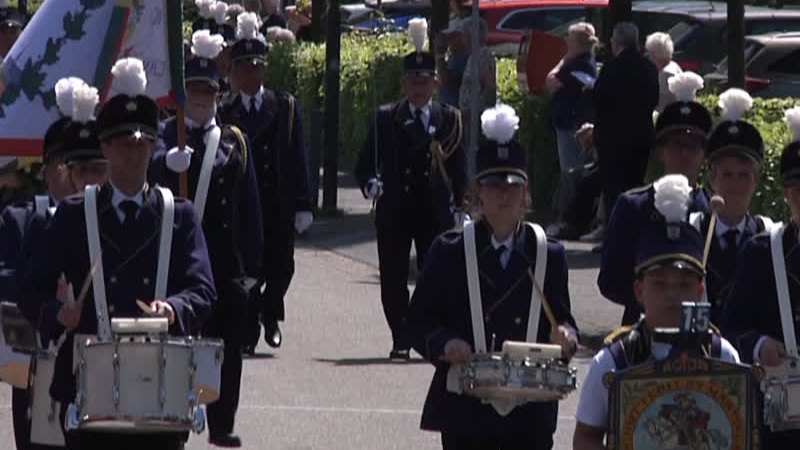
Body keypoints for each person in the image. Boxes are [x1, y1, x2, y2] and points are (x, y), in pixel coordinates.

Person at [18, 57, 216, 450]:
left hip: (159, 388)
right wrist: (56, 313)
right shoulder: (74, 215)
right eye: (125, 144)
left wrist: (174, 308)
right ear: (105, 147)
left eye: (143, 143)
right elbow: (31, 289)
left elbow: (203, 288)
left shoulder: (179, 215)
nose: (135, 153)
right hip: (88, 389)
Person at [407, 104, 578, 449]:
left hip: (529, 408)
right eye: (494, 184)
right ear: (478, 191)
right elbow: (418, 321)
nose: (504, 193)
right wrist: (444, 343)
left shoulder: (548, 253)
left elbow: (562, 318)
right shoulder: (450, 250)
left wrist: (566, 337)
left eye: (513, 185)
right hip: (467, 408)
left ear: (525, 191)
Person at [149, 29, 263, 448]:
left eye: (207, 91)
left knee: (226, 345)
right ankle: (176, 418)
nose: (200, 98)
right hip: (176, 258)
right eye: (194, 90)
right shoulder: (166, 136)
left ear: (218, 94)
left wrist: (254, 264)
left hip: (223, 258)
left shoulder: (233, 141)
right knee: (177, 344)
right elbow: (142, 173)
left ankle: (222, 421)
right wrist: (164, 162)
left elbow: (249, 204)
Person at [573, 185, 740, 450]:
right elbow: (585, 437)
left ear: (700, 290)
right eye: (660, 284)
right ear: (639, 290)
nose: (672, 294)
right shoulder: (614, 361)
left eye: (684, 284)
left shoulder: (721, 355)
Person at [354, 18, 467, 360]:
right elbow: (364, 164)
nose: (419, 87)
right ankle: (400, 336)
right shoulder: (386, 117)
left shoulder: (449, 119)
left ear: (435, 83)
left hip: (434, 210)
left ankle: (427, 331)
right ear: (404, 84)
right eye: (413, 81)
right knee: (393, 278)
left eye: (425, 80)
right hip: (396, 209)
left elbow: (458, 166)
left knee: (435, 276)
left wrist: (461, 205)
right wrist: (371, 185)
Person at [219, 12, 313, 352]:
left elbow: (299, 155)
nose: (251, 73)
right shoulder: (225, 109)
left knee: (282, 267)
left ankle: (271, 312)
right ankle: (251, 324)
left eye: (257, 66)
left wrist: (304, 203)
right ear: (234, 72)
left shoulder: (284, 105)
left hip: (277, 201)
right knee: (247, 267)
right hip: (242, 202)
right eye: (244, 67)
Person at [598, 71, 711, 326]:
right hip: (641, 330)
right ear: (660, 151)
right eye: (676, 144)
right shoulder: (633, 206)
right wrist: (658, 302)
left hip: (700, 332)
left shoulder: (713, 210)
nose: (684, 153)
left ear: (704, 154)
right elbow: (610, 280)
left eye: (693, 146)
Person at [721, 106, 800, 448]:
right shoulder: (762, 251)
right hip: (780, 413)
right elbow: (731, 326)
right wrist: (759, 344)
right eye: (799, 190)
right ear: (786, 193)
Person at [689, 88, 772, 325]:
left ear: (756, 178)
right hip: (703, 344)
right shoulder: (692, 231)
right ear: (711, 177)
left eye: (744, 175)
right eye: (727, 175)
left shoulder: (769, 236)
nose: (735, 184)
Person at [592, 22, 659, 239]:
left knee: (613, 192)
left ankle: (615, 237)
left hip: (613, 141)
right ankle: (634, 235)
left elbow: (599, 101)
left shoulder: (612, 67)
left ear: (615, 43)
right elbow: (654, 99)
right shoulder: (648, 67)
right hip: (640, 139)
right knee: (635, 187)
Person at [546, 22, 598, 174]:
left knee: (572, 171)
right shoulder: (578, 62)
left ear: (578, 43)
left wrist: (565, 59)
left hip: (572, 125)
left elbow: (550, 81)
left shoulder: (580, 66)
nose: (567, 40)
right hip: (569, 122)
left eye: (570, 38)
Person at [459, 17, 496, 153]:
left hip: (476, 116)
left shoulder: (482, 55)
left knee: (475, 153)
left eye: (464, 35)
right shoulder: (473, 55)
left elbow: (489, 84)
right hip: (469, 115)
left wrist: (481, 108)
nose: (462, 39)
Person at [645, 32, 683, 113]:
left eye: (650, 54)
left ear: (657, 54)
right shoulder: (673, 65)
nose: (649, 57)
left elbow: (675, 103)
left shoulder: (666, 74)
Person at [434, 19, 468, 108]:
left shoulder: (462, 57)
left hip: (454, 107)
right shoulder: (454, 56)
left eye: (451, 36)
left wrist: (439, 55)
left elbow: (446, 81)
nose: (448, 40)